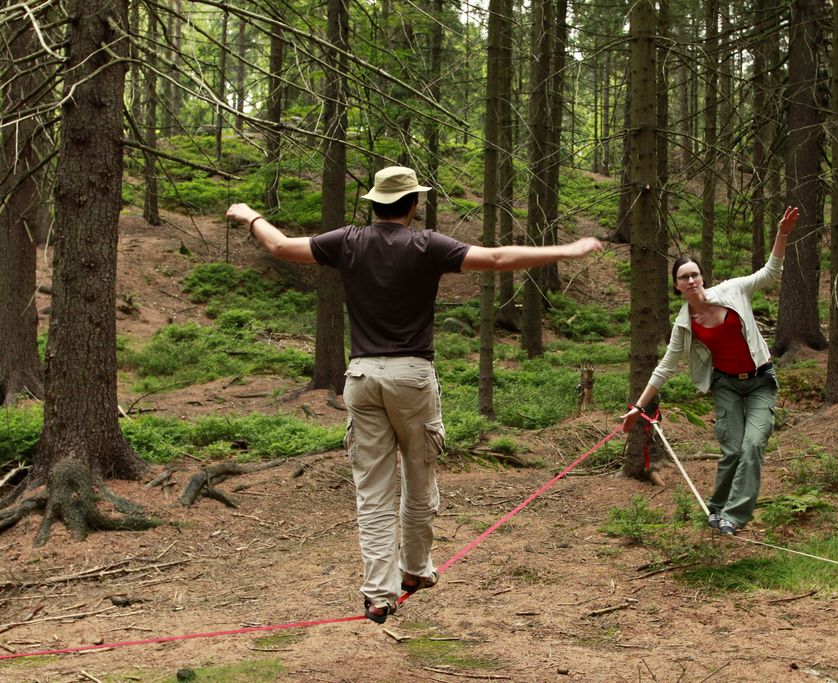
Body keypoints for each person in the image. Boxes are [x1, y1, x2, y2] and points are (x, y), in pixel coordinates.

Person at [226, 166, 603, 623]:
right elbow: (500, 258)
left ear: (374, 203)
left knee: (373, 491)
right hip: (412, 376)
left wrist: (250, 215)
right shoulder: (427, 244)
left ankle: (379, 594)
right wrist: (569, 248)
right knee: (419, 480)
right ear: (413, 205)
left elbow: (281, 247)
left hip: (362, 377)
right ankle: (416, 570)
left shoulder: (347, 240)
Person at [622, 206, 800, 537]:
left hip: (761, 381)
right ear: (676, 286)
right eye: (682, 277)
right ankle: (716, 509)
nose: (690, 280)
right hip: (727, 387)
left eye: (694, 274)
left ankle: (733, 516)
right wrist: (638, 407)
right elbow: (665, 367)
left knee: (752, 446)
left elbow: (771, 271)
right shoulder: (684, 324)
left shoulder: (734, 290)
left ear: (702, 277)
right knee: (732, 449)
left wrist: (782, 233)